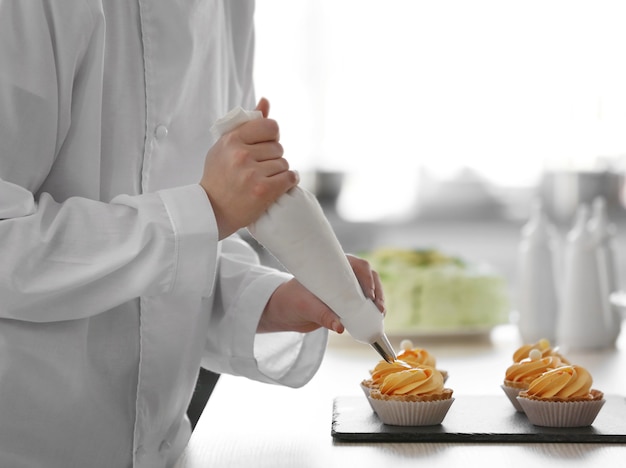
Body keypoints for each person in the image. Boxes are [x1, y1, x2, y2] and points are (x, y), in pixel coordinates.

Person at [0, 1, 384, 467]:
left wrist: (268, 300)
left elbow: (191, 245)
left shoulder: (230, 9)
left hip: (166, 449)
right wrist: (209, 210)